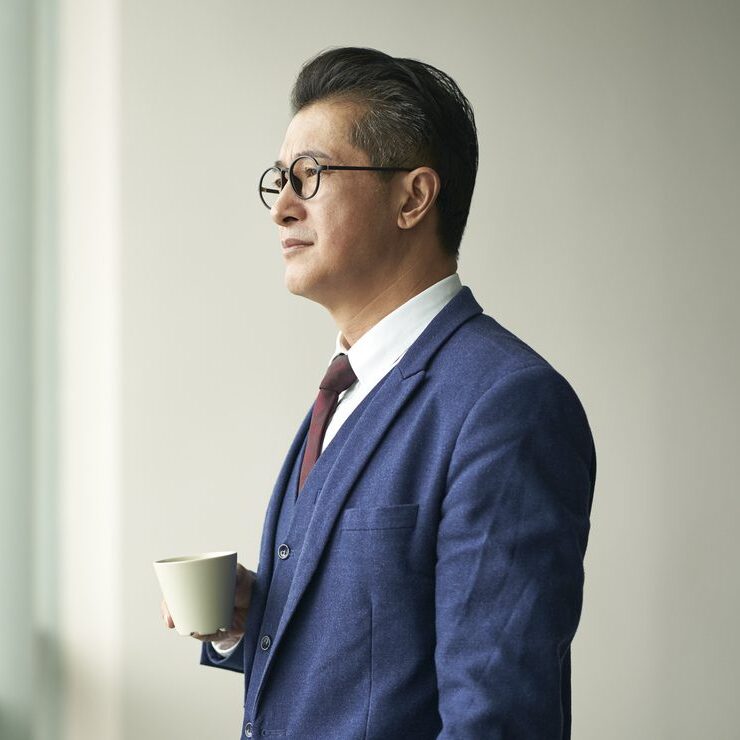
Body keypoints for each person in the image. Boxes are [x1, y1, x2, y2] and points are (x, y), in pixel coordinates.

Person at [160, 46, 596, 739]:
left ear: (413, 197)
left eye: (312, 174)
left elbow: (499, 719)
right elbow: (374, 660)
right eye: (280, 180)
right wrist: (259, 620)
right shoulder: (345, 389)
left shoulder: (506, 405)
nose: (283, 209)